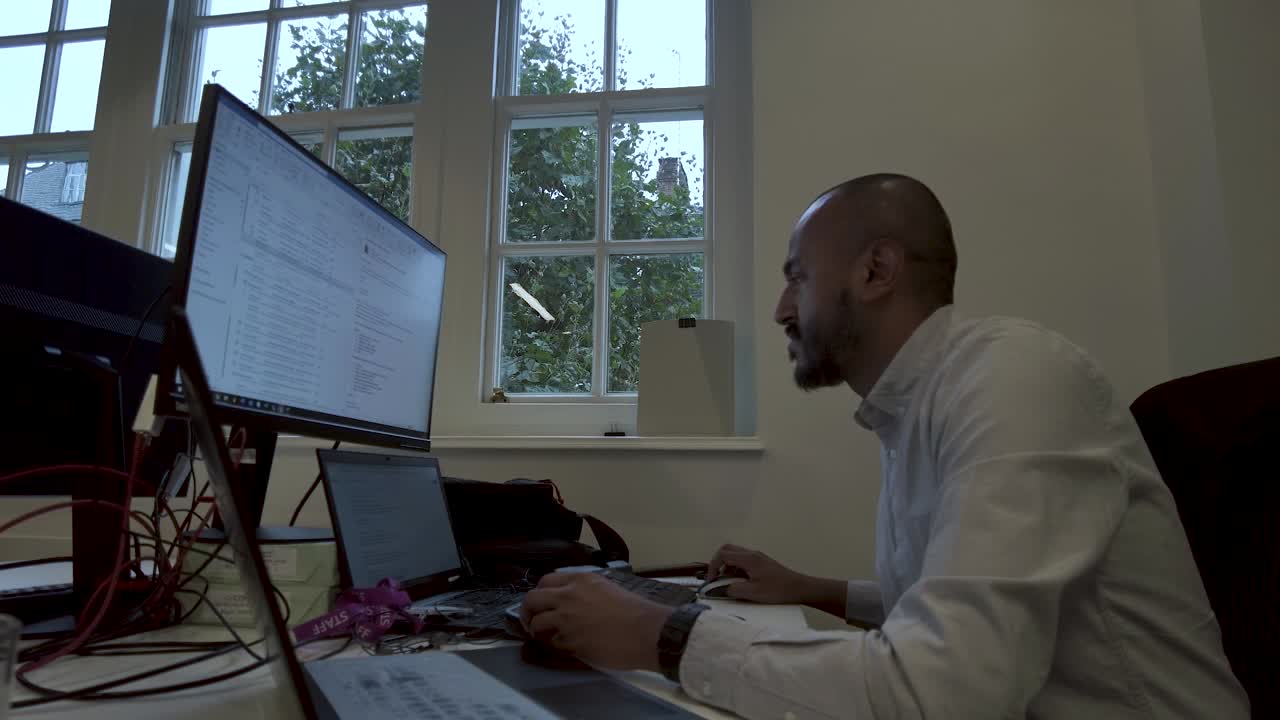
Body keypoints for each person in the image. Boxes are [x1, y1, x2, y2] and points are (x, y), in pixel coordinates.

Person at [520, 173, 1250, 718]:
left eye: (797, 278)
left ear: (875, 271)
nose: (780, 308)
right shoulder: (920, 404)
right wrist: (818, 591)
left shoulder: (1014, 378)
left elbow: (941, 694)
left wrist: (662, 635)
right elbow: (961, 601)